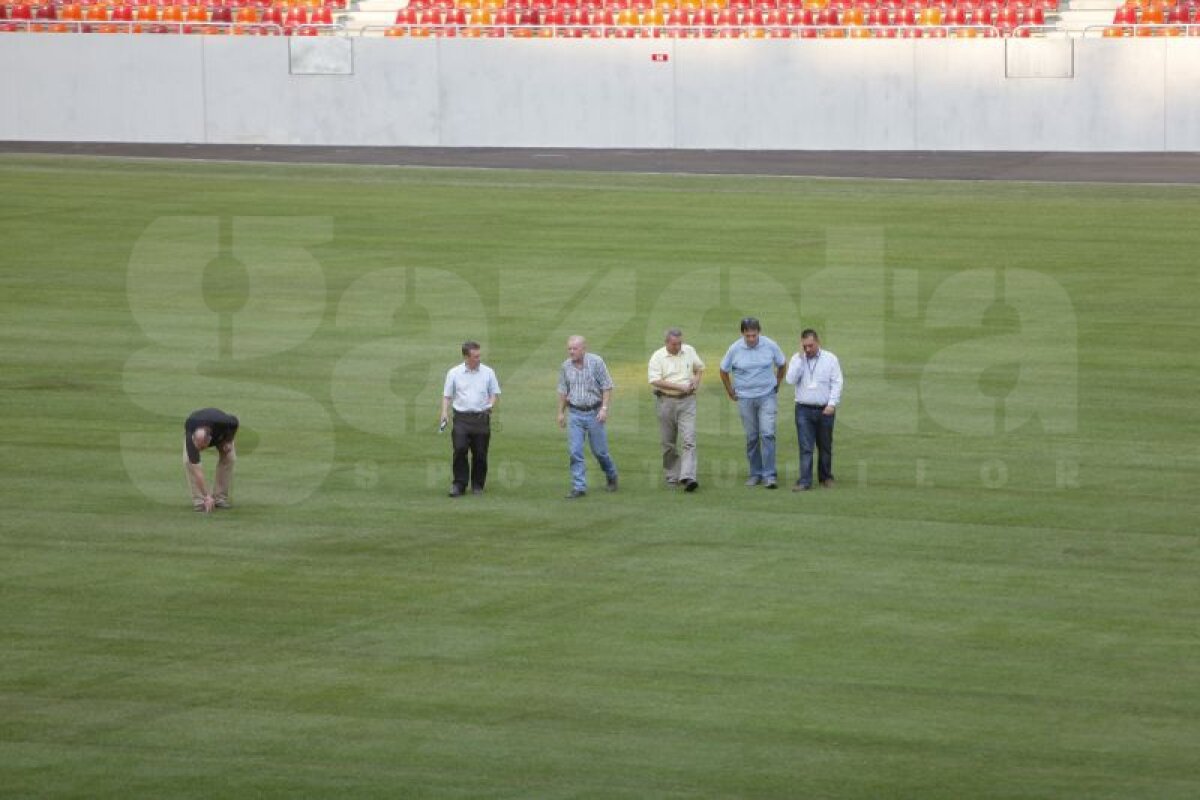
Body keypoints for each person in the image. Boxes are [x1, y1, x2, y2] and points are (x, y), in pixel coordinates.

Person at [719, 317, 786, 489]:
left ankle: (770, 475)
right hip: (745, 398)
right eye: (748, 336)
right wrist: (730, 391)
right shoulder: (734, 349)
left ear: (759, 333)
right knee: (752, 436)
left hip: (767, 396)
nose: (751, 339)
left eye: (754, 335)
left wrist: (777, 383)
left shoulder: (770, 345)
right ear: (742, 334)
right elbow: (723, 370)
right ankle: (755, 473)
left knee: (768, 433)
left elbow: (782, 364)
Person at [557, 335, 618, 499]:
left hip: (594, 413)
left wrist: (604, 409)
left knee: (600, 452)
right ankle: (579, 486)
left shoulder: (596, 362)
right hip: (575, 413)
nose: (571, 352)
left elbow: (607, 386)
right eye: (569, 348)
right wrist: (561, 413)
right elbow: (563, 390)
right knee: (575, 451)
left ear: (584, 349)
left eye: (574, 348)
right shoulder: (565, 367)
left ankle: (611, 474)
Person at [784, 328, 844, 492]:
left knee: (825, 445)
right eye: (805, 346)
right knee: (805, 446)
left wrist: (832, 404)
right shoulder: (798, 359)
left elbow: (837, 382)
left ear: (818, 342)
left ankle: (825, 476)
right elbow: (790, 380)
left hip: (825, 408)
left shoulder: (830, 359)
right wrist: (800, 361)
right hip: (803, 409)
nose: (808, 349)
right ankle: (804, 480)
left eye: (811, 345)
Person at [440, 340, 501, 497]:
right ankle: (459, 484)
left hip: (481, 417)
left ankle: (477, 485)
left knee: (480, 453)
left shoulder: (488, 372)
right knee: (459, 449)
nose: (478, 359)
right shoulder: (454, 373)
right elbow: (447, 396)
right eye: (475, 356)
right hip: (461, 418)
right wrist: (444, 413)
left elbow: (494, 393)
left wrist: (490, 405)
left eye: (479, 355)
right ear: (466, 357)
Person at [647, 327, 704, 492]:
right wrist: (679, 387)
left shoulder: (689, 350)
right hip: (666, 401)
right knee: (668, 442)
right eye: (674, 344)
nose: (678, 347)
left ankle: (688, 476)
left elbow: (699, 368)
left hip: (687, 401)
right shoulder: (657, 357)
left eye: (680, 343)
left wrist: (696, 380)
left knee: (689, 439)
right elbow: (655, 380)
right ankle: (672, 475)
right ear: (666, 343)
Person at [184, 407, 239, 512]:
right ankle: (200, 501)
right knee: (189, 462)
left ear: (210, 440)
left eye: (202, 447)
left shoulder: (225, 422)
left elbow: (235, 422)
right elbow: (197, 470)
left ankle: (220, 498)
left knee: (230, 457)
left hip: (220, 433)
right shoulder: (190, 436)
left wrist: (228, 440)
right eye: (198, 447)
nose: (200, 450)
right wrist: (207, 495)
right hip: (197, 426)